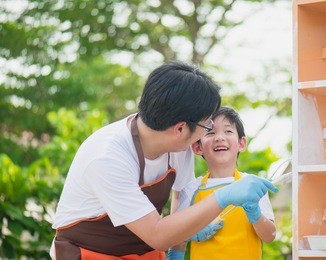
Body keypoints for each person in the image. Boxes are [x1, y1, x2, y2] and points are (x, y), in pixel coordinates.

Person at [51, 61, 278, 260]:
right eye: (207, 126)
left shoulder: (179, 146)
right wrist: (225, 195)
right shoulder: (107, 156)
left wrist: (178, 248)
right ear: (180, 128)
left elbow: (180, 205)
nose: (209, 133)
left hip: (145, 250)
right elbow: (158, 234)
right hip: (91, 253)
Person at [168, 106, 277, 260]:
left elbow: (269, 236)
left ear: (241, 143)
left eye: (228, 131)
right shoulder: (191, 189)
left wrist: (256, 214)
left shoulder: (252, 186)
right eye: (210, 132)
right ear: (197, 147)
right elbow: (176, 235)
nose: (219, 137)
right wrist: (191, 234)